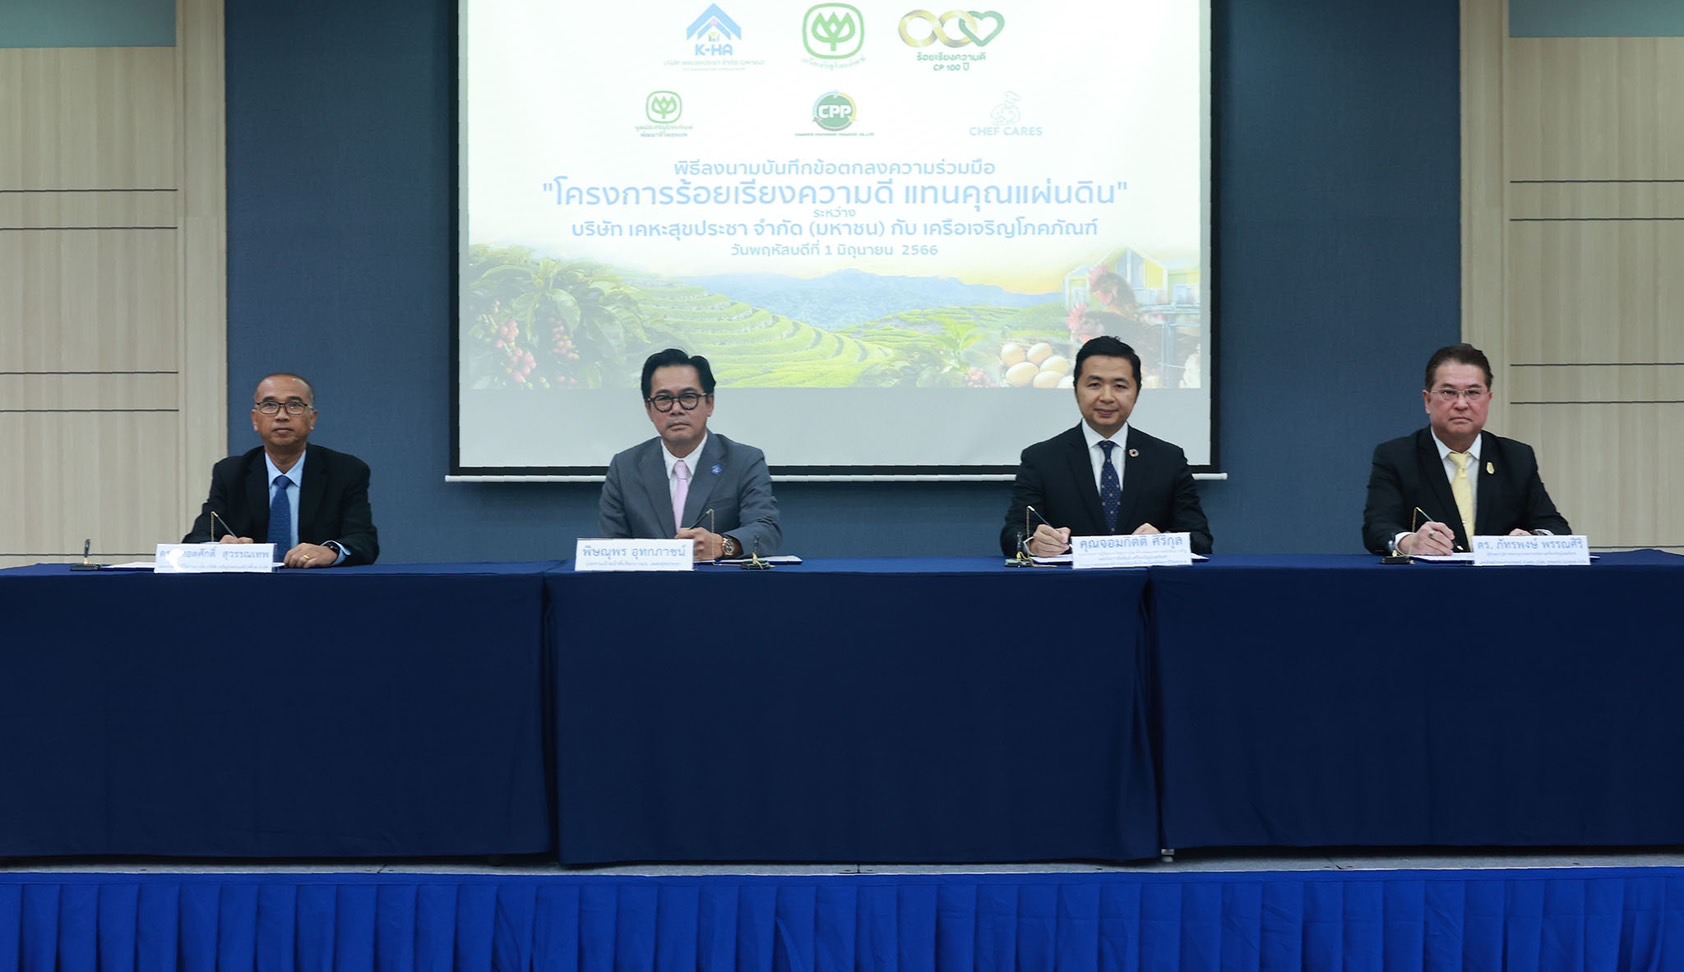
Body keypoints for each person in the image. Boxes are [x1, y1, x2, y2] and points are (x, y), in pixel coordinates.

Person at [1001, 336, 1212, 557]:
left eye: (1120, 386)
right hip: (1070, 578)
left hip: (1144, 578)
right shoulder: (1041, 459)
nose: (1107, 397)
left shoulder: (1168, 459)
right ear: (1076, 389)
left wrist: (1164, 542)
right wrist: (1034, 543)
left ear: (1137, 392)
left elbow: (1200, 539)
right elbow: (1013, 533)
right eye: (1094, 385)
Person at [1363, 343, 1570, 556]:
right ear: (1427, 400)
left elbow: (1556, 527)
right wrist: (1408, 542)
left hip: (1500, 576)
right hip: (1428, 576)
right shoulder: (1397, 456)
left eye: (1473, 392)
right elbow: (1377, 527)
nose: (1461, 404)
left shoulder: (1516, 457)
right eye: (1449, 392)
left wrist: (1533, 540)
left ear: (1488, 400)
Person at [599, 348, 781, 560]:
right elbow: (610, 547)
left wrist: (724, 545)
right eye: (664, 399)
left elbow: (766, 531)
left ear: (709, 404)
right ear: (649, 409)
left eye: (688, 397)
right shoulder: (625, 467)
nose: (676, 409)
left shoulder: (743, 461)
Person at [183, 373, 379, 567]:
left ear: (312, 419)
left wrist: (331, 551)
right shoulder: (230, 473)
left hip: (317, 582)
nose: (282, 416)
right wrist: (218, 548)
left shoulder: (346, 471)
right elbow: (198, 538)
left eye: (294, 405)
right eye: (270, 405)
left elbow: (363, 540)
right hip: (250, 584)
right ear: (255, 419)